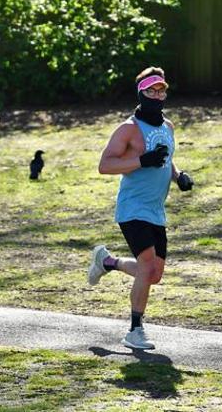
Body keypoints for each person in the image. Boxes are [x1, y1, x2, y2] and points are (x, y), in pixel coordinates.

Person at [88, 66, 193, 350]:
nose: (157, 95)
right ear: (141, 93)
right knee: (146, 266)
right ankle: (135, 330)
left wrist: (178, 175)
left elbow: (165, 158)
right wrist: (141, 161)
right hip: (132, 207)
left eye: (161, 90)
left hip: (156, 209)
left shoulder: (167, 126)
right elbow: (105, 165)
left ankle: (108, 262)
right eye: (151, 90)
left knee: (154, 274)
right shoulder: (128, 129)